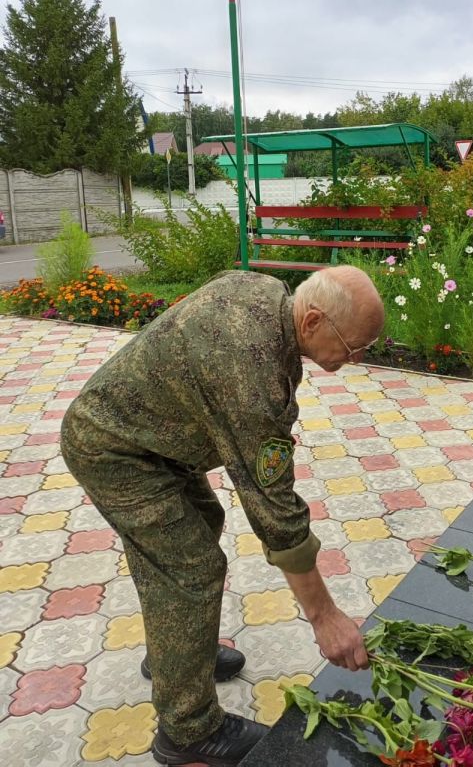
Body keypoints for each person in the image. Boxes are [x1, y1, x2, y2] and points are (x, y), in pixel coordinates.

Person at [60, 265, 385, 767]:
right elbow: (274, 509)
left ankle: (179, 655)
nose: (358, 357)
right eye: (355, 345)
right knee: (191, 568)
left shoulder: (271, 296)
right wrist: (325, 617)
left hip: (152, 441)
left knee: (200, 522)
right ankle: (187, 731)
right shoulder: (251, 371)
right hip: (114, 450)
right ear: (314, 320)